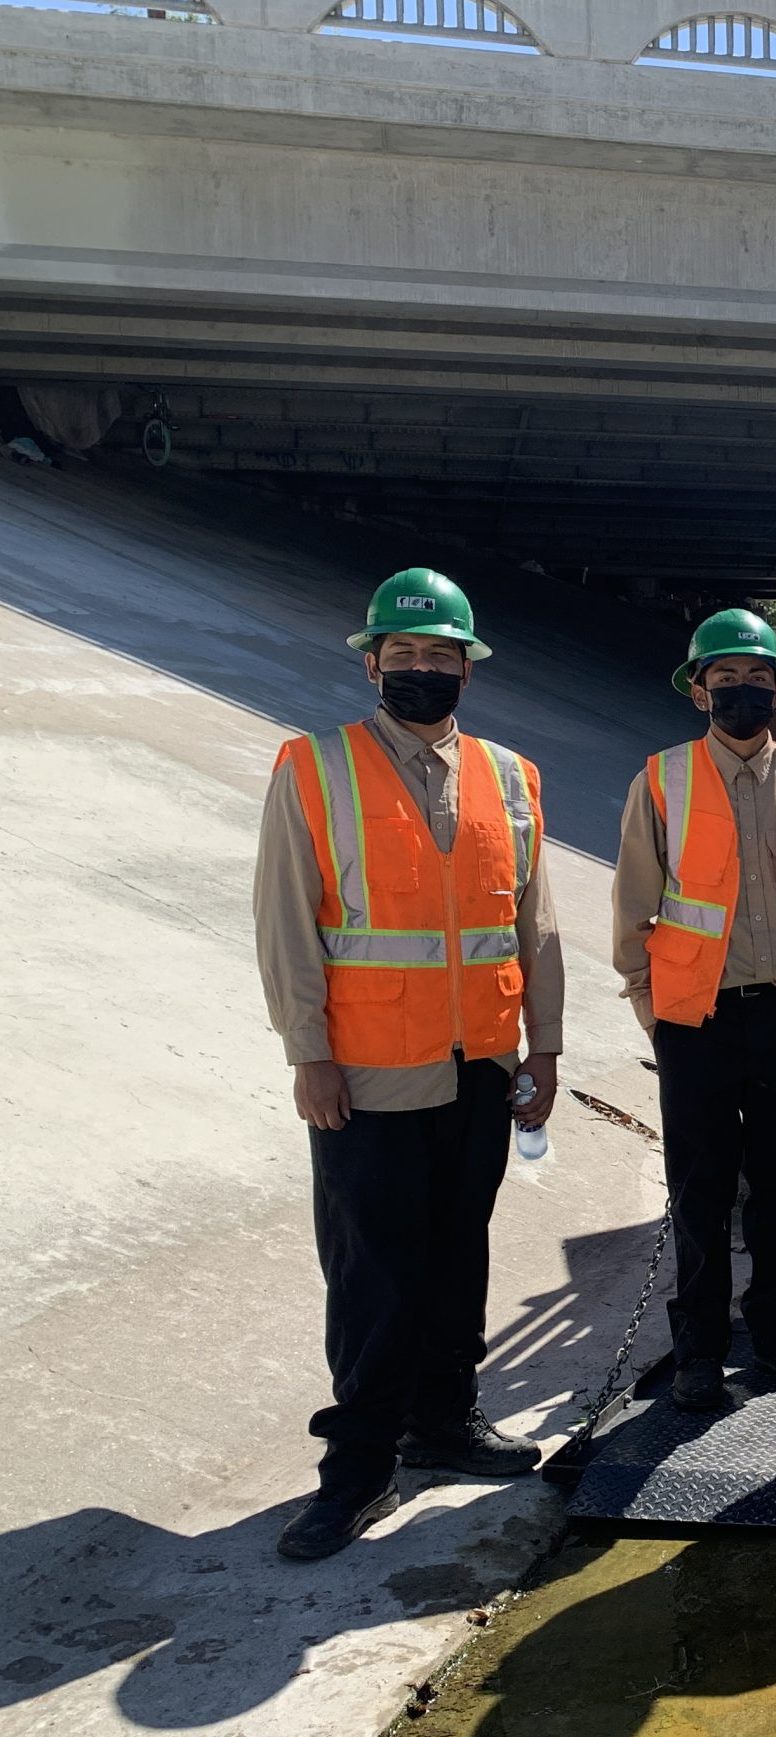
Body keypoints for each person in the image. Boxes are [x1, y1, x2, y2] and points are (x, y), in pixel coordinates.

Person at [254, 569, 561, 1560]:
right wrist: (310, 1055)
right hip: (369, 1069)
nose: (423, 669)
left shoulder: (511, 779)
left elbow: (535, 926)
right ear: (372, 660)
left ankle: (443, 1423)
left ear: (467, 667)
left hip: (479, 1064)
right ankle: (357, 1466)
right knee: (374, 1270)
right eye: (406, 653)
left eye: (442, 655)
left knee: (455, 1251)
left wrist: (543, 1047)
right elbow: (286, 925)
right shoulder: (314, 768)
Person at [611, 608, 776, 1413]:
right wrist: (653, 1007)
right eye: (727, 677)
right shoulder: (662, 780)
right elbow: (634, 906)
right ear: (699, 689)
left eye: (758, 677)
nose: (743, 690)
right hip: (698, 1020)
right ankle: (699, 1350)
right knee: (702, 1186)